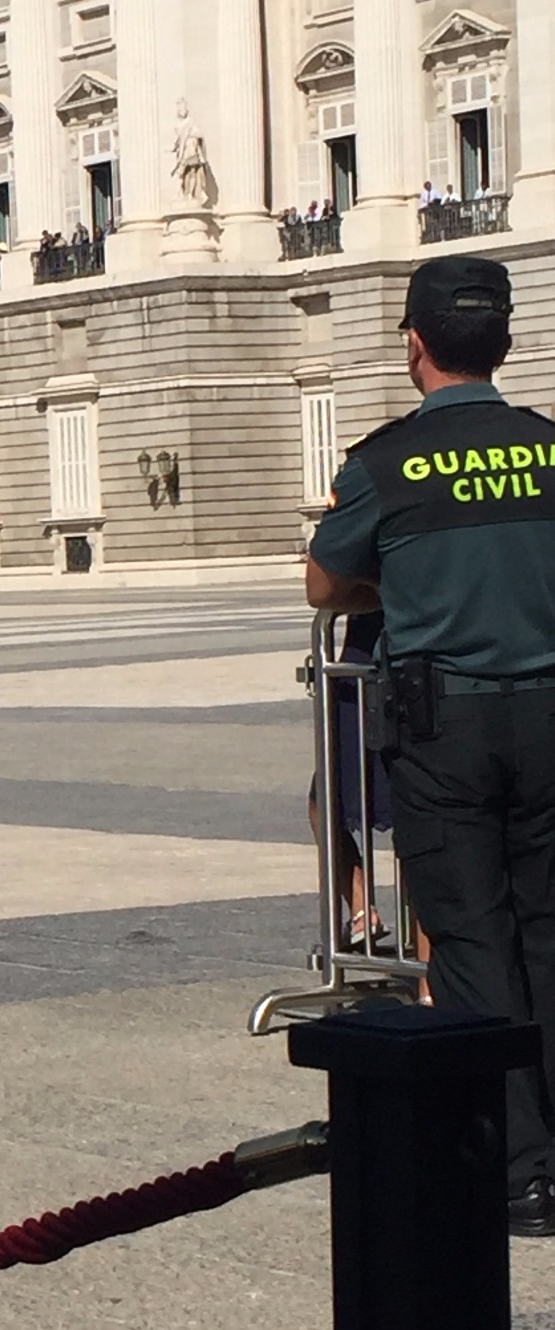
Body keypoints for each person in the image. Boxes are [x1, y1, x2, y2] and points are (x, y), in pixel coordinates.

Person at [306, 254, 555, 1237]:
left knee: (468, 939)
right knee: (545, 932)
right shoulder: (545, 447)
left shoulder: (380, 465)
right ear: (501, 343)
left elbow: (324, 587)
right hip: (546, 714)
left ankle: (519, 1170)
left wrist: (399, 589)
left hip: (444, 726)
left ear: (412, 346)